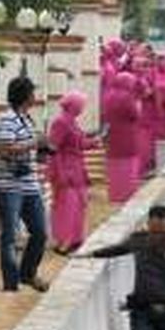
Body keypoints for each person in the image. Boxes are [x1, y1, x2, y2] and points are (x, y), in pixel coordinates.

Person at [0, 76, 49, 292]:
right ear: (25, 95)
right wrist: (34, 143)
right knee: (10, 237)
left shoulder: (27, 119)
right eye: (32, 93)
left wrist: (42, 149)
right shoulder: (7, 119)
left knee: (40, 232)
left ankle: (27, 274)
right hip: (9, 187)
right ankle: (11, 284)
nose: (35, 96)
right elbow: (5, 149)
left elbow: (28, 149)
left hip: (29, 185)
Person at [47, 91, 100, 255]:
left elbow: (79, 142)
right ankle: (63, 242)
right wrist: (59, 172)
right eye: (81, 104)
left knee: (78, 204)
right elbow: (53, 149)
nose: (82, 108)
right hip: (65, 168)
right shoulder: (60, 122)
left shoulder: (72, 122)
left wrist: (93, 143)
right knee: (66, 205)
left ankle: (75, 239)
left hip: (77, 168)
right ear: (73, 105)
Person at [105, 72, 142, 203]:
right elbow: (135, 114)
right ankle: (127, 194)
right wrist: (138, 104)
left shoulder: (108, 95)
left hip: (113, 134)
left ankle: (115, 193)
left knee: (115, 165)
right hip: (127, 134)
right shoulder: (127, 97)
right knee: (128, 165)